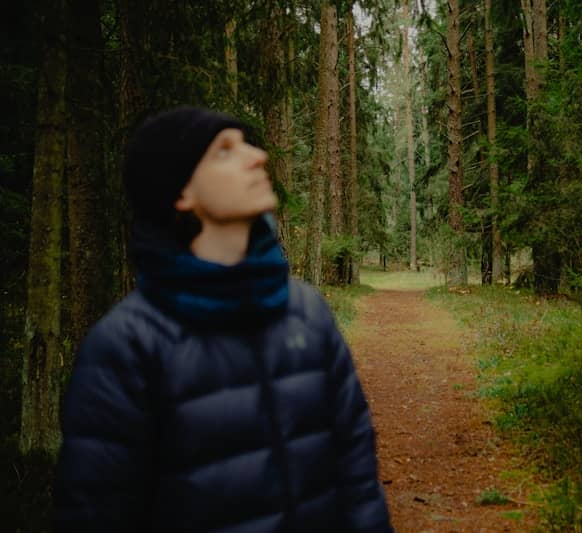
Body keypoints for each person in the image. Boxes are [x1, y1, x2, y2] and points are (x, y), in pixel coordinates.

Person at [54, 106, 393, 532]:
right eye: (224, 151)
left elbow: (357, 477)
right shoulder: (125, 347)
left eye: (247, 144)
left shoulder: (307, 312)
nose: (257, 157)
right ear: (182, 194)